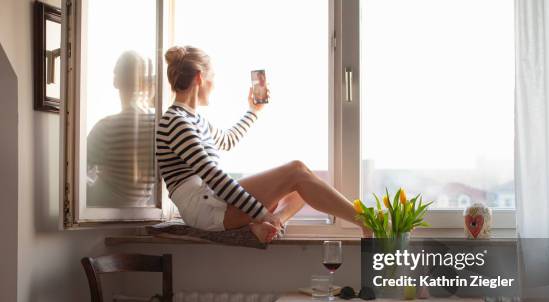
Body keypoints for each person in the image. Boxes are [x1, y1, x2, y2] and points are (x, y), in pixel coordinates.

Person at [157, 45, 371, 243]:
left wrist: (253, 111)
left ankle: (270, 225)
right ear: (200, 78)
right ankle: (367, 222)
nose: (215, 84)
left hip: (211, 201)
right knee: (297, 171)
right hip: (204, 208)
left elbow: (227, 140)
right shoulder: (177, 122)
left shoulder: (193, 119)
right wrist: (262, 213)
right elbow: (214, 177)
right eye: (213, 77)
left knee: (302, 187)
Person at [87, 51, 156, 207]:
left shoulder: (106, 127)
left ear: (116, 81)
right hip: (141, 210)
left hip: (102, 208)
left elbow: (74, 175)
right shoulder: (157, 126)